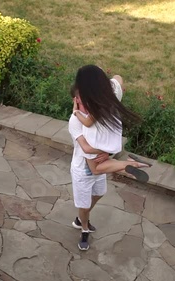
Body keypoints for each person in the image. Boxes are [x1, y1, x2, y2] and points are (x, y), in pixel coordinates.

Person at [68, 65, 150, 251]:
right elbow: (119, 77)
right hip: (84, 168)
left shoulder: (95, 108)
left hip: (99, 161)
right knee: (85, 203)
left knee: (98, 194)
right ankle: (85, 228)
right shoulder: (77, 120)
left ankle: (81, 217)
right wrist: (104, 152)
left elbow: (90, 141)